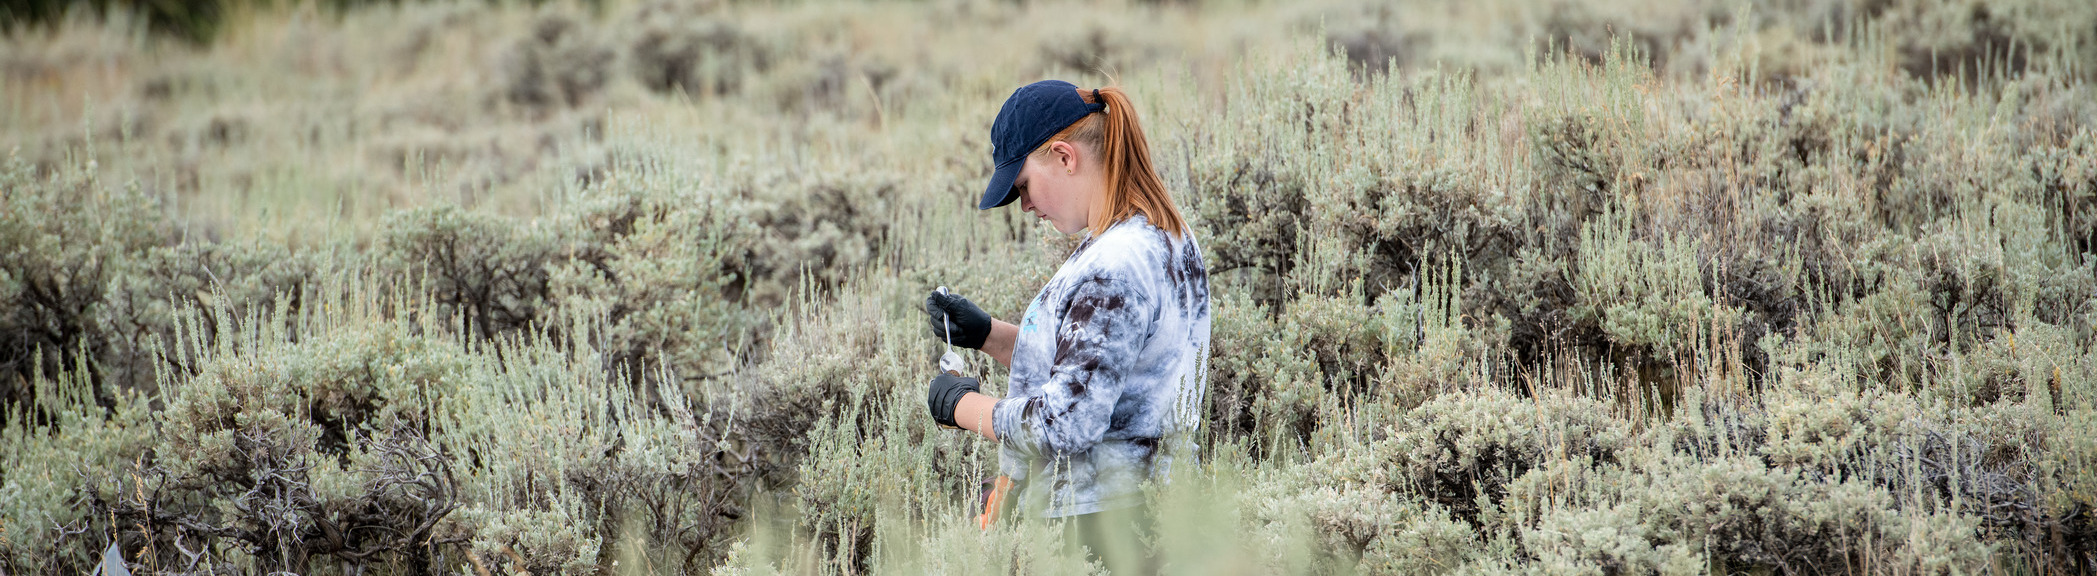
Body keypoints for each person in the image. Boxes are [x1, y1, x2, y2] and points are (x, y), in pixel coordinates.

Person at [922, 79, 1212, 574]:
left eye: (1023, 188)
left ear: (1064, 156)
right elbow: (1102, 368)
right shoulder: (1159, 236)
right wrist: (990, 334)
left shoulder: (1114, 264)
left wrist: (960, 406)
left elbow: (1066, 422)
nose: (1027, 207)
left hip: (1099, 530)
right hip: (1148, 515)